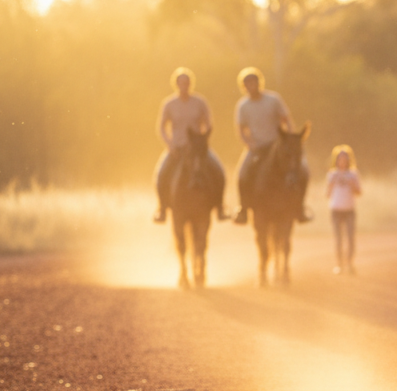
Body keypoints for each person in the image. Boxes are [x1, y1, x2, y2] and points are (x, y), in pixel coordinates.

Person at [233, 67, 309, 224]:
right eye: (247, 84)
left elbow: (287, 120)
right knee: (241, 174)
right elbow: (240, 130)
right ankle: (243, 209)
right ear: (243, 86)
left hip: (278, 146)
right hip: (256, 148)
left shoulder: (273, 99)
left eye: (253, 82)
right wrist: (249, 144)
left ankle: (300, 208)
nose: (250, 86)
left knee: (303, 170)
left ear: (259, 83)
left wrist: (290, 140)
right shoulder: (243, 105)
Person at [153, 67, 227, 223]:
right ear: (176, 84)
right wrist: (169, 145)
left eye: (187, 83)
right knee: (161, 174)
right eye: (181, 83)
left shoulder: (200, 102)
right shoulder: (169, 104)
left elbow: (208, 124)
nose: (184, 86)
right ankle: (162, 209)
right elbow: (161, 127)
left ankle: (220, 207)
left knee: (219, 170)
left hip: (198, 149)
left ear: (191, 84)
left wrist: (202, 139)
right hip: (177, 149)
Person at [326, 144, 361, 274]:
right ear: (336, 160)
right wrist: (332, 182)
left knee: (350, 238)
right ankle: (339, 264)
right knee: (338, 239)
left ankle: (350, 263)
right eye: (340, 159)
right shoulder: (332, 174)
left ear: (348, 160)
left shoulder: (353, 174)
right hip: (336, 210)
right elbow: (327, 194)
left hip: (349, 210)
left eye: (344, 158)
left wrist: (351, 183)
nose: (342, 161)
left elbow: (358, 192)